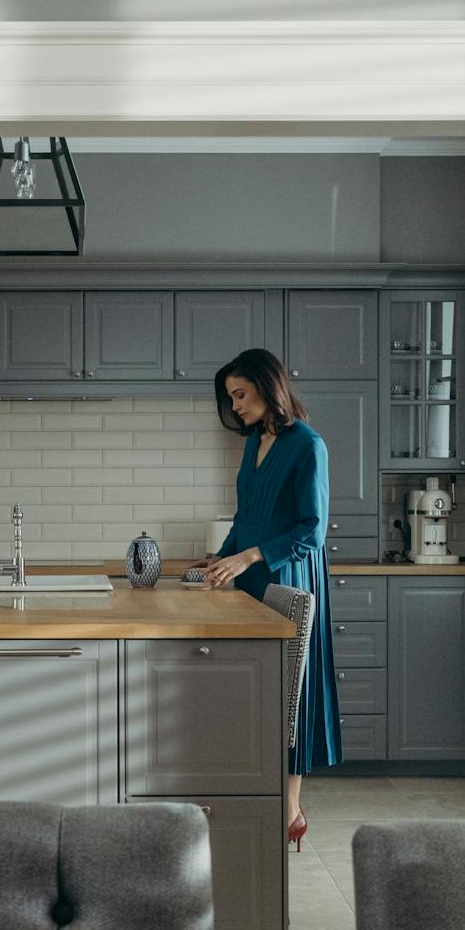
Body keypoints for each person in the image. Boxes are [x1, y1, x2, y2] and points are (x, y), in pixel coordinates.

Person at [196, 348, 342, 851]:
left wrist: (251, 556)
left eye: (240, 394)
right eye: (230, 397)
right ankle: (259, 800)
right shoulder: (254, 443)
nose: (235, 406)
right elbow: (245, 517)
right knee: (258, 691)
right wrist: (219, 560)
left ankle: (290, 810)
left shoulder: (308, 444)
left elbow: (313, 529)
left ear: (267, 385)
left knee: (289, 695)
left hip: (289, 575)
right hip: (252, 575)